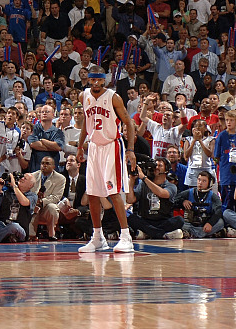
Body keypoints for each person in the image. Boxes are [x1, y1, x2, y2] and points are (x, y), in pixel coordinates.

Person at [76, 67, 137, 252]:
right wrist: (80, 146)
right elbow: (86, 123)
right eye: (92, 80)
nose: (96, 83)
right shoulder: (83, 96)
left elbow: (129, 123)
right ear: (88, 80)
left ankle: (126, 237)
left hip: (112, 145)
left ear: (104, 80)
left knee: (114, 191)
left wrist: (131, 149)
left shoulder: (113, 97)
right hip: (94, 147)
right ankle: (97, 237)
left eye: (99, 80)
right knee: (92, 192)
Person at [125, 157, 184, 240]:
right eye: (155, 165)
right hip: (146, 220)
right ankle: (161, 234)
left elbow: (162, 193)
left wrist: (144, 178)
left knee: (179, 220)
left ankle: (148, 233)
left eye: (160, 165)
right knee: (131, 218)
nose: (156, 167)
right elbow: (130, 200)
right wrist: (132, 179)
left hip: (163, 221)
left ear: (166, 169)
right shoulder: (143, 184)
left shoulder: (171, 186)